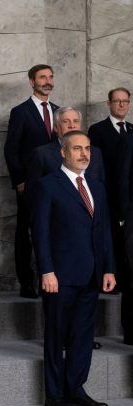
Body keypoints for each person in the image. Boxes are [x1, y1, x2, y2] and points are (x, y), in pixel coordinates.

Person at [31, 131, 115, 406]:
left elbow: (104, 231)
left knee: (82, 336)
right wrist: (46, 270)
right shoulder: (47, 185)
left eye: (87, 148)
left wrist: (109, 268)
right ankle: (54, 395)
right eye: (77, 148)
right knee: (56, 336)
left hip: (91, 274)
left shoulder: (97, 186)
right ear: (63, 153)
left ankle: (76, 389)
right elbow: (40, 233)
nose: (84, 154)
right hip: (60, 276)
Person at [4, 64, 58, 299]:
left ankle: (50, 279)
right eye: (42, 77)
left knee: (54, 230)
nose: (47, 81)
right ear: (31, 82)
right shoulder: (20, 111)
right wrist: (19, 181)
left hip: (56, 183)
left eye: (50, 77)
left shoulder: (59, 111)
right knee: (26, 232)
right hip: (30, 184)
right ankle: (26, 282)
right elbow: (11, 149)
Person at [89, 88, 133, 343]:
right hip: (113, 199)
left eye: (125, 101)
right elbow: (119, 174)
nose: (122, 105)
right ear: (109, 103)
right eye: (118, 101)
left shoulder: (132, 130)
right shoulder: (98, 130)